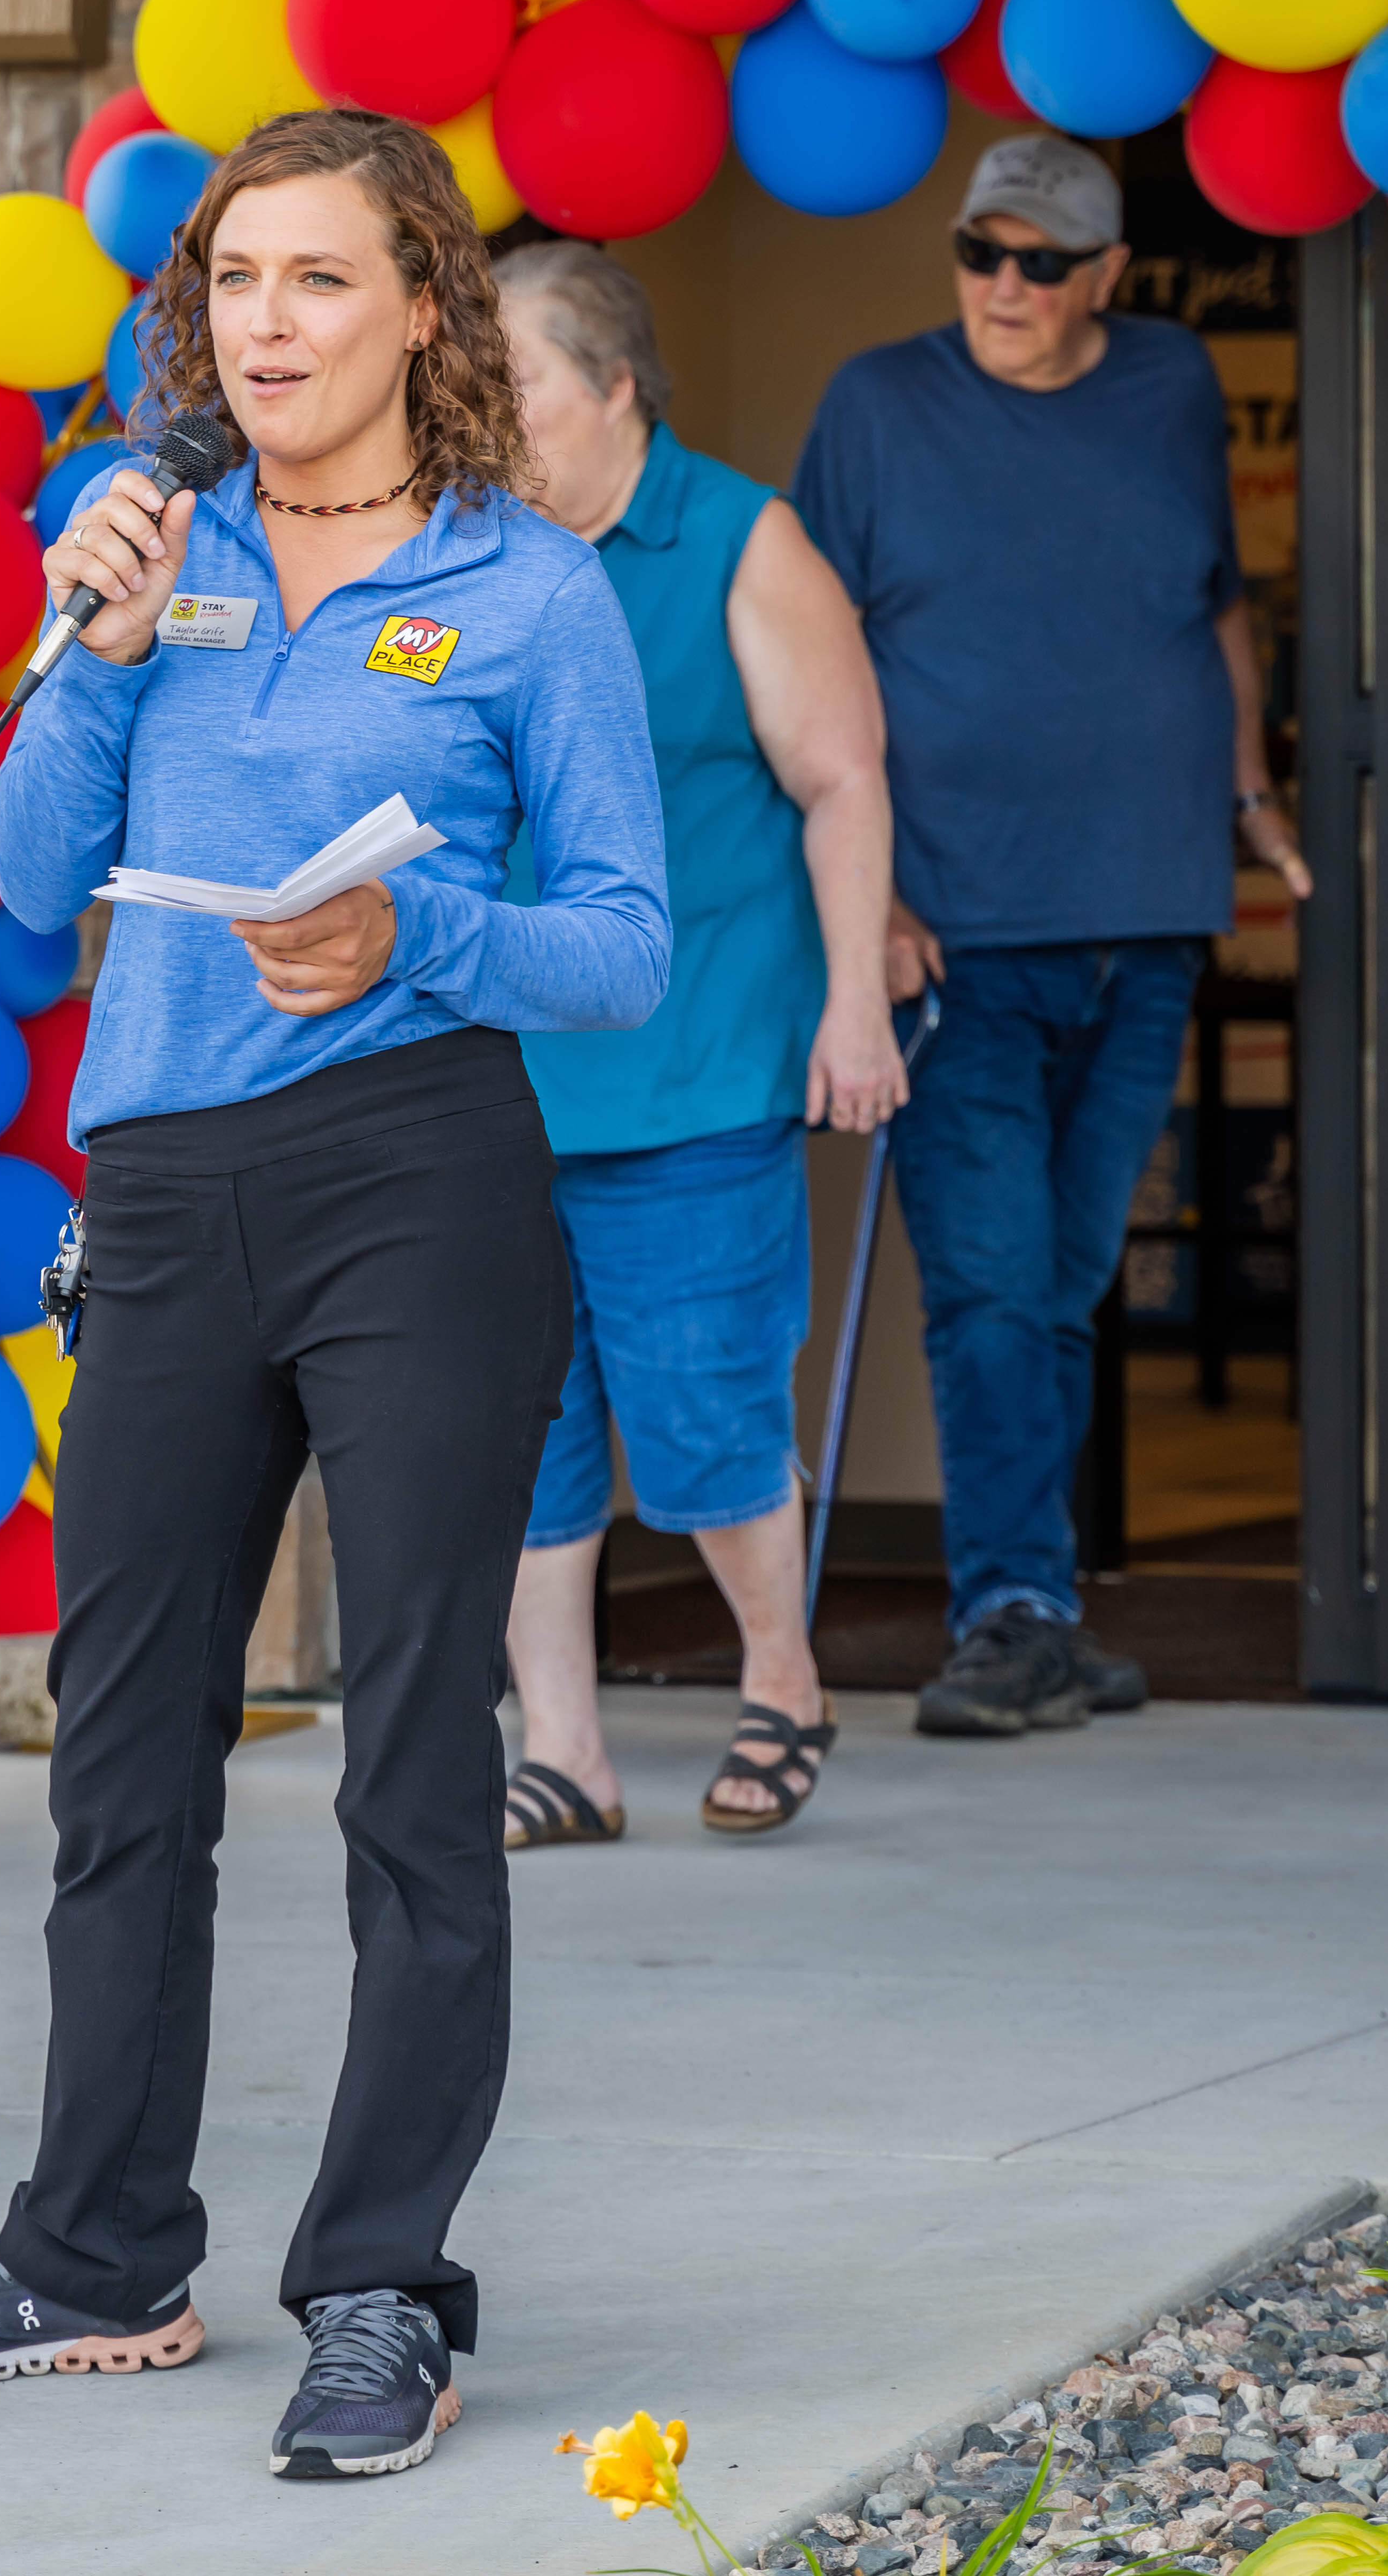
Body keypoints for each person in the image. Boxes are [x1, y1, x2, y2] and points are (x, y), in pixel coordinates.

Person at [0, 109, 669, 2487]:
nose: (266, 327)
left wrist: (425, 932)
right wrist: (88, 633)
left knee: (414, 1762)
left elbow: (621, 939)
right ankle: (97, 2255)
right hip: (172, 1176)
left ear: (425, 305)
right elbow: (19, 864)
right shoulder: (143, 548)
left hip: (419, 1172)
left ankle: (383, 2282)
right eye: (230, 287)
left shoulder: (532, 594)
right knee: (126, 1755)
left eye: (318, 281)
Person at [790, 131, 1314, 1743]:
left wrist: (1246, 794)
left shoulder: (1168, 386)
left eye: (1038, 262)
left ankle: (1047, 1608)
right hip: (961, 931)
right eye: (980, 254)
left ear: (1104, 275)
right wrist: (863, 895)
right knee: (998, 1290)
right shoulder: (880, 407)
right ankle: (1010, 1611)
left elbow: (1213, 604)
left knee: (1065, 1281)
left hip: (1149, 914)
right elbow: (804, 651)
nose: (1002, 288)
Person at [487, 242, 907, 1850]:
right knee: (525, 1423)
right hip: (503, 1077)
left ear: (616, 389)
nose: (491, 417)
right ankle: (567, 1747)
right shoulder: (472, 559)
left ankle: (782, 1675)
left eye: (516, 382)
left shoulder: (743, 541)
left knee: (706, 1409)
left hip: (696, 1065)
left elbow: (842, 782)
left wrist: (855, 1004)